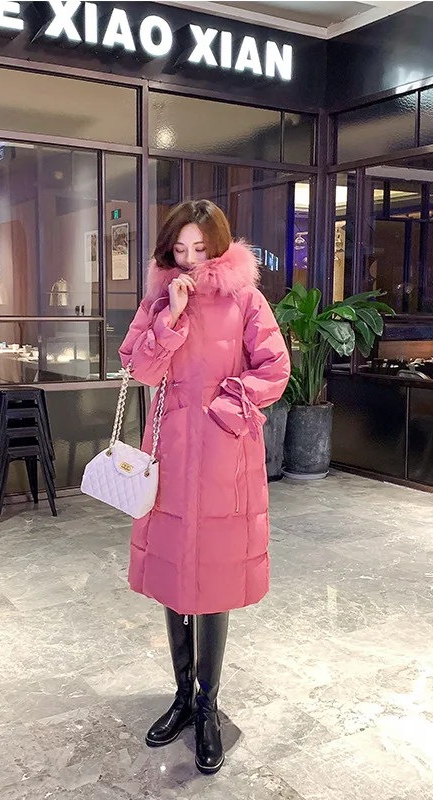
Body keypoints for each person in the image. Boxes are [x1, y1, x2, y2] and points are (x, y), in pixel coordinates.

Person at [118, 200, 290, 775]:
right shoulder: (159, 301)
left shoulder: (247, 300)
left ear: (218, 247)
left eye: (200, 248)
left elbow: (274, 369)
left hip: (224, 454)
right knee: (175, 576)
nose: (190, 259)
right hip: (169, 454)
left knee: (213, 580)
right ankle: (181, 697)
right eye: (179, 249)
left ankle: (207, 705)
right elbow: (139, 369)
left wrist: (227, 408)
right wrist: (170, 317)